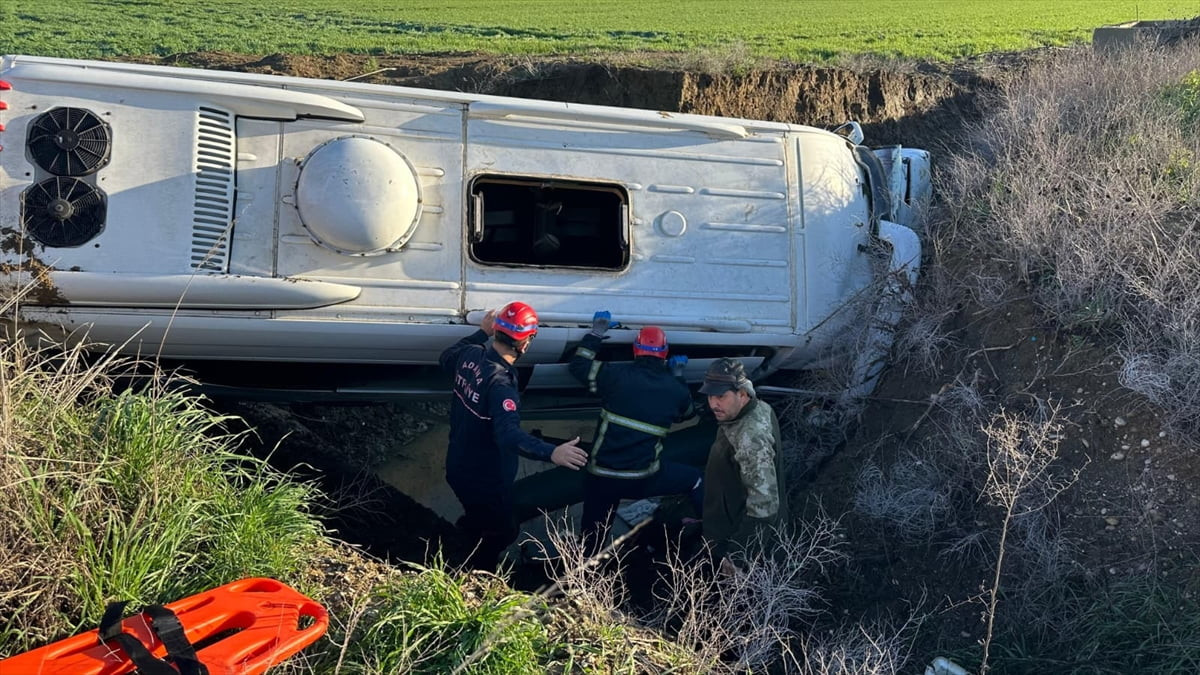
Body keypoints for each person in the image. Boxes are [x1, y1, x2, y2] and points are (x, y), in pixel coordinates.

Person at [439, 301, 588, 570]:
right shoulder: (501, 385)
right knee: (503, 531)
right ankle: (479, 569)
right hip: (486, 480)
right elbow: (508, 435)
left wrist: (480, 333)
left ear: (496, 331)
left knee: (476, 514)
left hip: (458, 465)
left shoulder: (471, 354)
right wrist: (552, 452)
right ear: (526, 343)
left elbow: (446, 357)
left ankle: (466, 533)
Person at [568, 311, 703, 554]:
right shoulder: (675, 390)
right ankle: (710, 541)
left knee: (592, 540)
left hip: (602, 478)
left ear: (635, 350)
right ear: (665, 353)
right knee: (696, 479)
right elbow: (688, 414)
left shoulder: (615, 376)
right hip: (642, 479)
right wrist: (678, 377)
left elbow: (578, 366)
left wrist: (596, 333)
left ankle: (583, 569)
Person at [698, 357, 787, 567]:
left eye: (721, 396)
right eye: (710, 395)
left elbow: (764, 506)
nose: (713, 404)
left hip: (741, 546)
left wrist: (737, 557)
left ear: (742, 394)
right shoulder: (758, 408)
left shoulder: (750, 438)